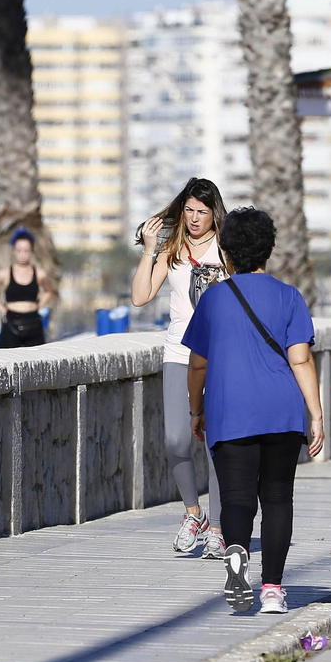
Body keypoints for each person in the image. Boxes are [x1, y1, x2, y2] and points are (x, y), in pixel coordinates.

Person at [182, 208, 324, 615]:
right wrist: (315, 413)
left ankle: (237, 556)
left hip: (230, 411)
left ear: (226, 251)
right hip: (281, 411)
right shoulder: (289, 296)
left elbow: (197, 364)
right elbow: (301, 361)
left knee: (237, 498)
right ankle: (274, 590)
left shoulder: (213, 300)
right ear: (269, 249)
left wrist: (196, 409)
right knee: (278, 498)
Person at [131, 178, 229, 557]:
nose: (193, 218)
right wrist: (150, 250)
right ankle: (193, 514)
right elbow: (141, 297)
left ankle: (218, 528)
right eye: (188, 210)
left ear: (213, 212)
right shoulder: (173, 248)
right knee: (176, 439)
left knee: (217, 443)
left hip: (220, 355)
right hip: (178, 351)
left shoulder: (226, 247)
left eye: (201, 212)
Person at [0, 229, 55, 349]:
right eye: (19, 250)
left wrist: (40, 305)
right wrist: (1, 308)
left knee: (36, 362)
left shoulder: (40, 274)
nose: (22, 254)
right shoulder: (4, 274)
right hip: (12, 322)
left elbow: (49, 291)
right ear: (14, 251)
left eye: (26, 251)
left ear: (31, 251)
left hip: (33, 322)